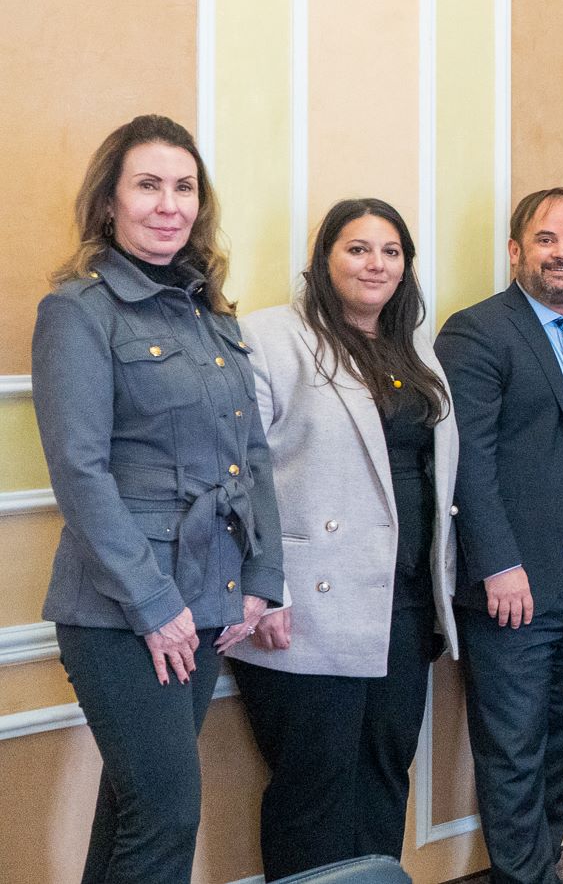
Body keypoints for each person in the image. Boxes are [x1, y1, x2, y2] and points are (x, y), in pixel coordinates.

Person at [32, 115, 282, 883]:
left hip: (210, 595)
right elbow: (79, 470)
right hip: (120, 608)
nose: (168, 203)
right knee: (168, 812)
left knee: (137, 811)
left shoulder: (211, 312)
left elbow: (253, 453)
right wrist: (153, 600)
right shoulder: (79, 308)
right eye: (147, 185)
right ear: (109, 202)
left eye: (183, 187)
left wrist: (260, 581)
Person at [225, 198, 459, 878]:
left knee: (386, 770)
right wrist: (267, 588)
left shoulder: (414, 347)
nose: (375, 263)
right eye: (357, 248)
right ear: (325, 258)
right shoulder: (271, 336)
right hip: (306, 606)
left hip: (406, 602)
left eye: (390, 250)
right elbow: (243, 472)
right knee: (314, 786)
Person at [436, 187, 563, 884]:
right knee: (515, 750)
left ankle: (536, 871)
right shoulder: (479, 331)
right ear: (516, 249)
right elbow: (469, 457)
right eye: (548, 238)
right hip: (516, 584)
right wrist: (498, 563)